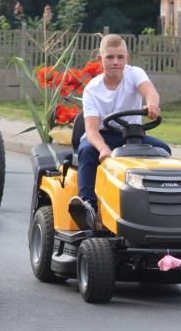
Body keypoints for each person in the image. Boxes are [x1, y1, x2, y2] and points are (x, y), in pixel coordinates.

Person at [70, 34, 171, 232]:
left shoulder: (135, 74)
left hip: (132, 136)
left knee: (163, 151)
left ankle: (157, 205)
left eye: (120, 57)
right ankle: (88, 207)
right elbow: (91, 130)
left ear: (127, 58)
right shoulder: (92, 89)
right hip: (102, 136)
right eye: (110, 57)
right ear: (100, 60)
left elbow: (150, 91)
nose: (115, 62)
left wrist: (152, 104)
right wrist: (103, 148)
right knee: (87, 152)